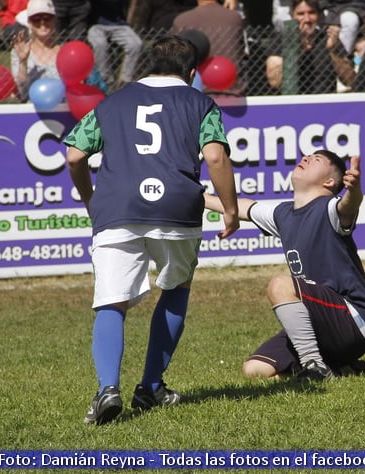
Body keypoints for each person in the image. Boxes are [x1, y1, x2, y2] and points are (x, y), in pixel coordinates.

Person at [63, 34, 240, 425]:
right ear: (192, 73)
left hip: (117, 206)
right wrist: (230, 209)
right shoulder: (200, 102)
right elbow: (215, 156)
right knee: (175, 289)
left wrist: (91, 198)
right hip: (177, 205)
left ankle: (108, 389)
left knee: (112, 300)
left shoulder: (113, 103)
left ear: (147, 67)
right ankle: (151, 387)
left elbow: (75, 154)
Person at [204, 151, 365, 380]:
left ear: (329, 182)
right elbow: (244, 207)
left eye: (316, 159)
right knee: (255, 369)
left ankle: (314, 367)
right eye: (307, 155)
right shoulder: (284, 213)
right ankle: (339, 368)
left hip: (354, 321)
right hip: (319, 322)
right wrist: (196, 195)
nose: (306, 158)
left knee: (280, 285)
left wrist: (354, 190)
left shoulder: (330, 208)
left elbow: (349, 206)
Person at [265, 0, 355, 94]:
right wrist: (298, 49)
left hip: (324, 101)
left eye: (311, 13)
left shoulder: (328, 39)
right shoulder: (281, 40)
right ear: (292, 16)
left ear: (319, 16)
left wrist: (333, 51)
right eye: (300, 14)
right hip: (291, 102)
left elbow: (351, 80)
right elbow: (275, 82)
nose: (307, 19)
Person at [170, 0, 247, 96]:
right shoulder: (234, 18)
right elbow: (242, 51)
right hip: (231, 92)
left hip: (194, 95)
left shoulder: (181, 21)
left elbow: (173, 59)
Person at [87, 0, 143, 90]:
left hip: (118, 24)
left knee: (135, 44)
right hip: (95, 24)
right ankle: (106, 80)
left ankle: (125, 81)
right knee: (100, 44)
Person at [10, 0, 61, 99]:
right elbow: (22, 92)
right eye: (36, 19)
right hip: (32, 110)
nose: (42, 23)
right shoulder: (19, 52)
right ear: (29, 22)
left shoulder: (66, 51)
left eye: (47, 18)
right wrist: (23, 62)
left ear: (54, 20)